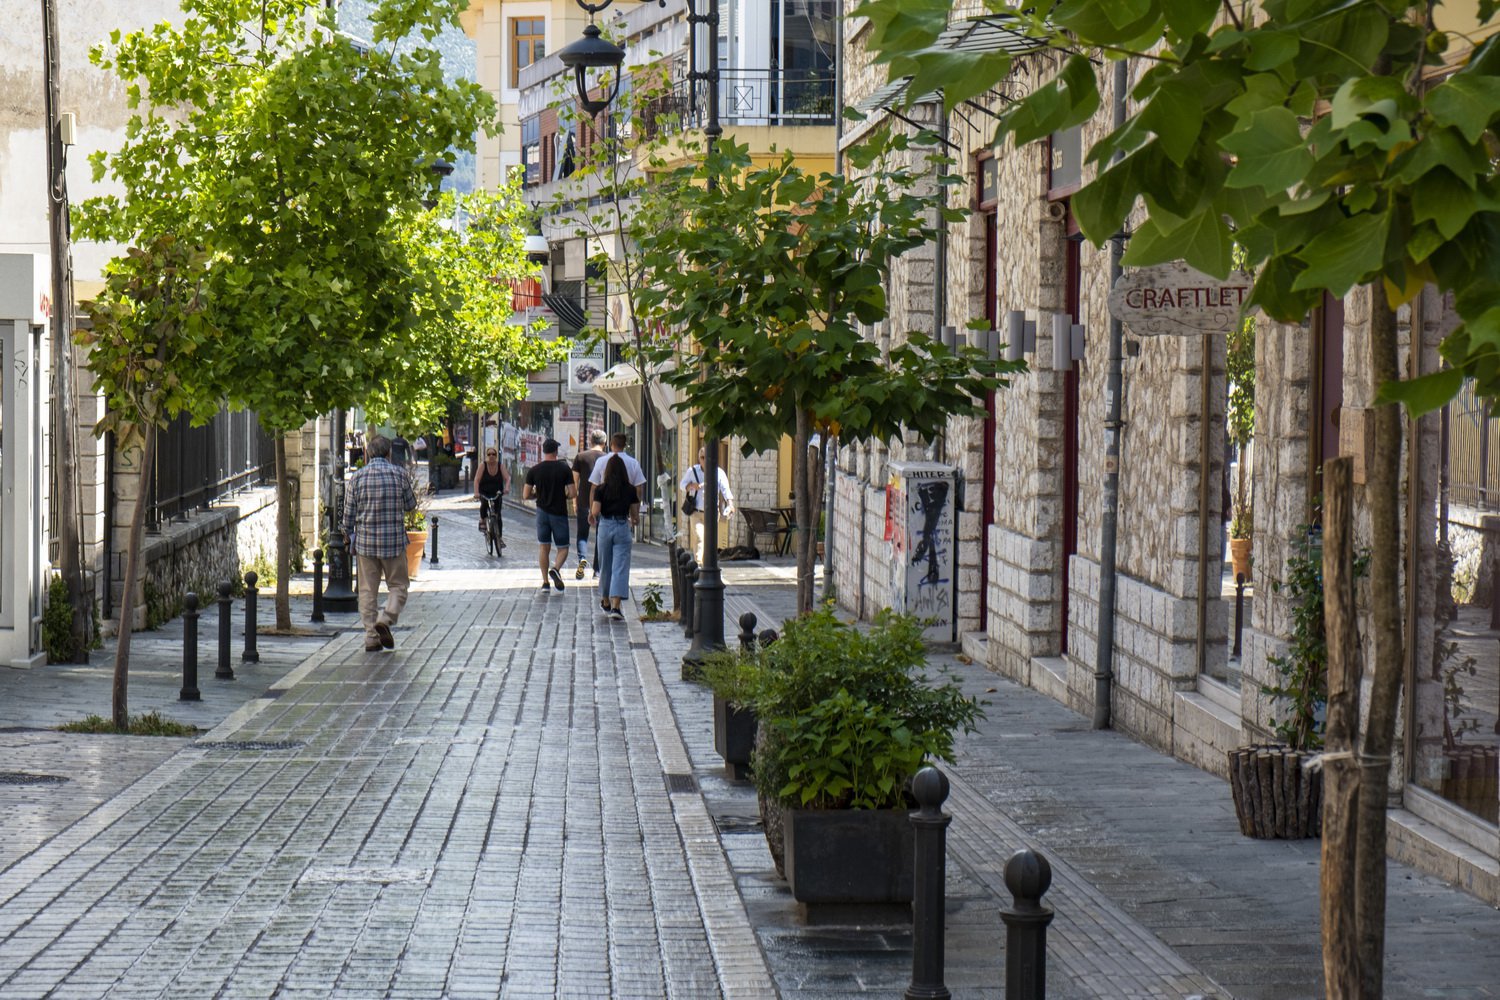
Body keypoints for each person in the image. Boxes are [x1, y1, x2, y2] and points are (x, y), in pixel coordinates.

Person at [342, 434, 416, 651]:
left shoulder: (357, 478)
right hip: (393, 542)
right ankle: (386, 618)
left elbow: (347, 517)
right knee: (399, 586)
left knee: (367, 591)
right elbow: (411, 505)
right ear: (389, 453)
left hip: (366, 543)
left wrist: (347, 534)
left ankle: (372, 638)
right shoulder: (399, 474)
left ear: (367, 454)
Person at [590, 451, 639, 620]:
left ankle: (605, 600)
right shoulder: (630, 490)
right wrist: (634, 520)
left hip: (605, 526)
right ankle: (616, 606)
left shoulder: (601, 489)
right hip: (622, 527)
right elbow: (634, 515)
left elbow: (596, 510)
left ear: (607, 471)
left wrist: (591, 514)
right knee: (620, 567)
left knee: (605, 565)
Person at [522, 438, 575, 592]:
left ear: (544, 451)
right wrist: (563, 495)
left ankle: (545, 582)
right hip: (559, 513)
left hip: (542, 513)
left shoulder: (534, 470)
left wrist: (537, 495)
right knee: (563, 548)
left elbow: (526, 495)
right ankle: (556, 569)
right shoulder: (564, 469)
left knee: (544, 547)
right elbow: (573, 492)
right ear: (556, 452)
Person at [680, 446, 736, 562]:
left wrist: (730, 505)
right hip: (696, 512)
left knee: (709, 540)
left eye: (707, 457)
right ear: (699, 458)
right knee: (700, 538)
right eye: (702, 457)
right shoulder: (693, 471)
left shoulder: (719, 472)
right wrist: (691, 486)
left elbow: (726, 490)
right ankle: (699, 566)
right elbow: (682, 485)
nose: (704, 460)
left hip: (712, 513)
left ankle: (707, 563)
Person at [571, 430, 606, 579]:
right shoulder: (607, 458)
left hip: (584, 501)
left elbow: (574, 481)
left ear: (590, 441)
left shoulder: (580, 457)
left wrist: (574, 501)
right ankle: (597, 570)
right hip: (603, 503)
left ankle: (582, 559)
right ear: (604, 443)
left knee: (582, 535)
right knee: (600, 536)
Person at [473, 445, 511, 550]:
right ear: (486, 456)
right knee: (484, 503)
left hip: (497, 492)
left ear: (496, 456)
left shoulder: (500, 466)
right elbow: (476, 480)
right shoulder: (483, 466)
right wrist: (476, 493)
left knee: (498, 516)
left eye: (493, 454)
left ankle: (500, 538)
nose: (491, 456)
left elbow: (507, 478)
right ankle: (482, 520)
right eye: (489, 454)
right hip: (484, 491)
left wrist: (506, 488)